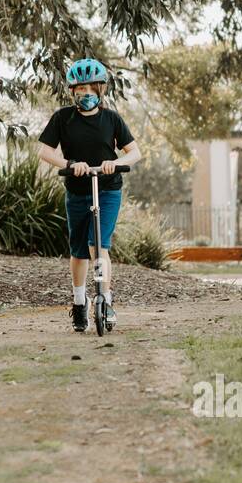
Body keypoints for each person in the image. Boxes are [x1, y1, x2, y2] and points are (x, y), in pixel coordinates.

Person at [36, 58, 142, 332]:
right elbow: (45, 151)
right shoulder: (63, 118)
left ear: (100, 90)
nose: (85, 94)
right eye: (80, 89)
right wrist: (70, 165)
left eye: (90, 89)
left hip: (108, 190)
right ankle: (79, 301)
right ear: (72, 91)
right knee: (80, 251)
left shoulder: (111, 119)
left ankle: (105, 299)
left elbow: (135, 152)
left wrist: (115, 163)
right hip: (78, 190)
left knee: (99, 245)